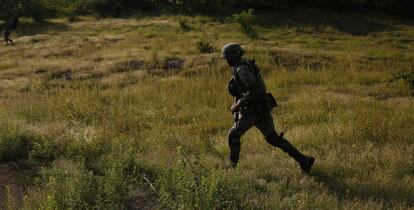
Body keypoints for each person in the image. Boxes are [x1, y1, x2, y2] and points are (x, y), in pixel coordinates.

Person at [222, 43, 315, 173]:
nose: (225, 61)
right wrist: (238, 103)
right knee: (272, 138)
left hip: (254, 109)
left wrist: (239, 104)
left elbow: (253, 91)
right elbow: (242, 91)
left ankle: (232, 167)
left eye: (226, 58)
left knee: (233, 135)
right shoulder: (241, 67)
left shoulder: (242, 70)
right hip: (261, 107)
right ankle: (304, 160)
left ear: (232, 57)